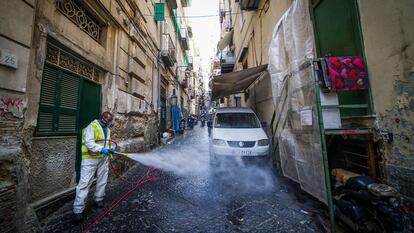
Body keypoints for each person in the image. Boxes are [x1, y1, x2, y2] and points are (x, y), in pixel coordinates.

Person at [73, 112, 114, 222]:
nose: (111, 123)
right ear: (104, 118)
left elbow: (107, 142)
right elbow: (89, 143)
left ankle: (98, 199)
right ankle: (78, 210)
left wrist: (111, 149)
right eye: (109, 120)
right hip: (90, 159)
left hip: (103, 158)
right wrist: (101, 149)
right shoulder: (92, 126)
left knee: (102, 180)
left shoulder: (107, 129)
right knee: (85, 183)